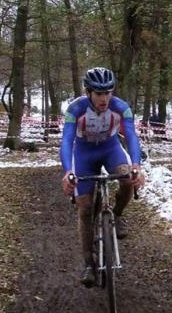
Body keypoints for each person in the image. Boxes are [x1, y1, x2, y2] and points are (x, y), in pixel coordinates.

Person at [60, 67, 145, 288]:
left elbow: (131, 135)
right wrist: (68, 171)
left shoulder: (121, 108)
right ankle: (89, 263)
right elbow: (67, 141)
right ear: (88, 92)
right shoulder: (75, 109)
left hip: (110, 148)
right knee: (85, 207)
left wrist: (137, 165)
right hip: (84, 153)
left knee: (127, 178)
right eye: (99, 93)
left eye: (108, 92)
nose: (104, 98)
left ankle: (116, 215)